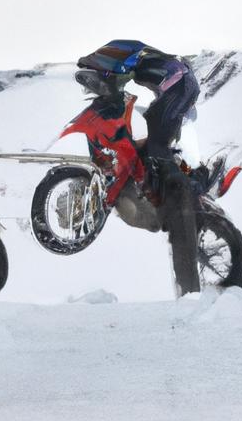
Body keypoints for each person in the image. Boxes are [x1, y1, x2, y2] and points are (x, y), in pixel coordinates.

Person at [77, 40, 202, 292]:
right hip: (177, 89)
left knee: (157, 135)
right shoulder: (154, 64)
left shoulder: (135, 54)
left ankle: (172, 181)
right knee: (154, 127)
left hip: (179, 87)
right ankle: (164, 174)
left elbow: (119, 67)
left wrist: (89, 62)